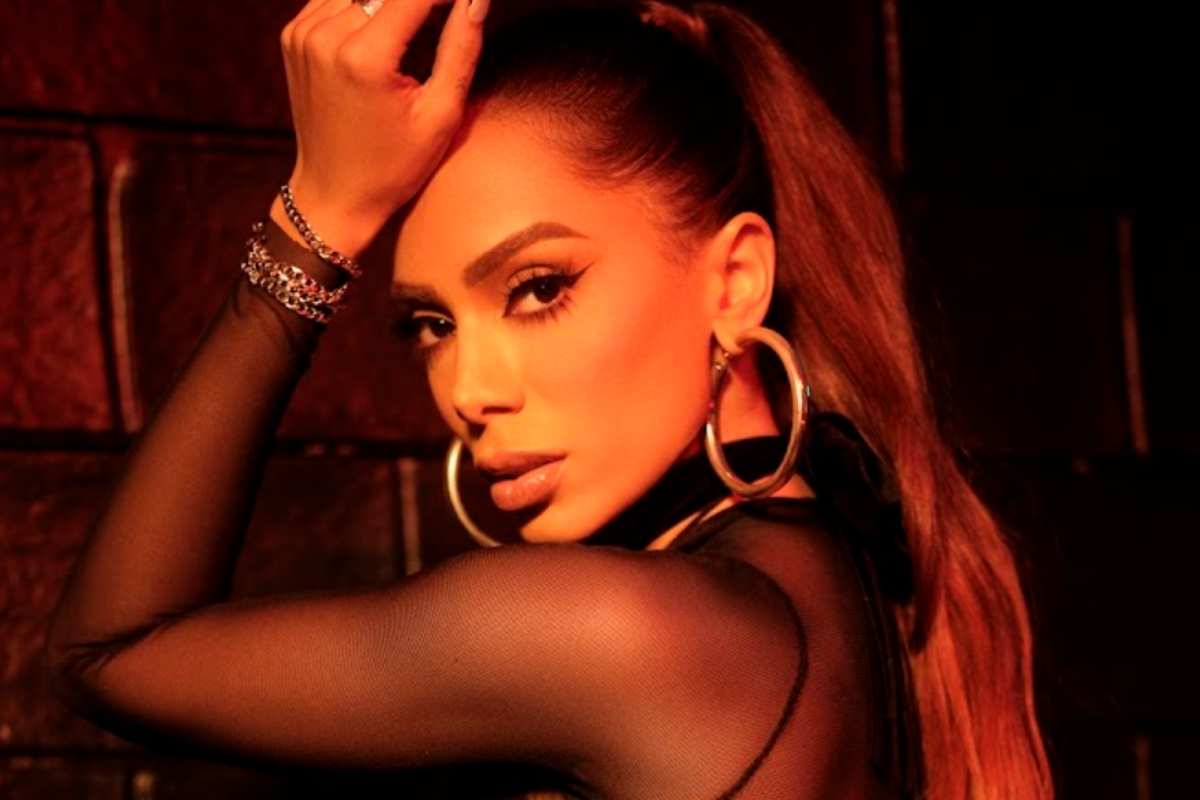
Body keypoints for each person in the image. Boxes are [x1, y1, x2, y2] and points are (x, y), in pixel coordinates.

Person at [45, 0, 1053, 797]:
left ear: (737, 279)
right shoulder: (838, 580)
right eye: (431, 324)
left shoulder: (624, 635)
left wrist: (322, 214)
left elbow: (109, 650)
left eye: (538, 289)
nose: (469, 392)